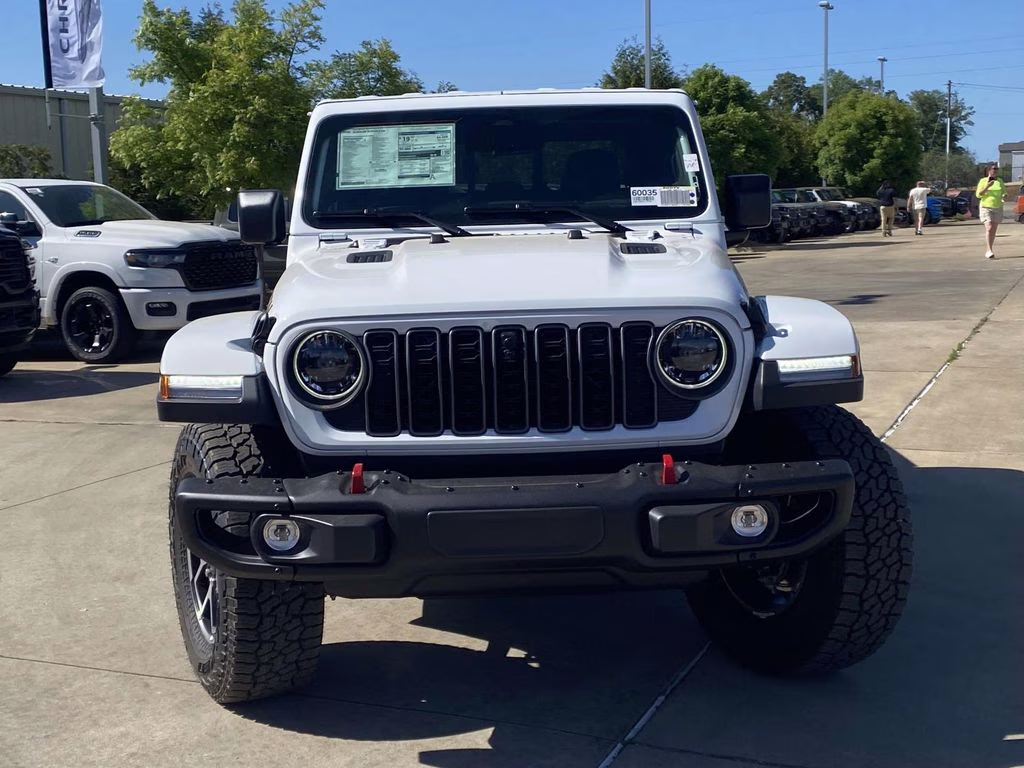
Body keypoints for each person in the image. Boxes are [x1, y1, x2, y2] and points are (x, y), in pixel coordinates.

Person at [975, 163, 1006, 259]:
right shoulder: (983, 181)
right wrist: (987, 186)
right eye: (993, 169)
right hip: (985, 207)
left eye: (996, 169)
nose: (995, 171)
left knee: (993, 230)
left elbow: (1004, 192)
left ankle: (990, 248)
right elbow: (978, 195)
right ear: (989, 170)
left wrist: (1004, 196)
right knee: (989, 227)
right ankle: (988, 250)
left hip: (997, 207)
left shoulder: (1000, 181)